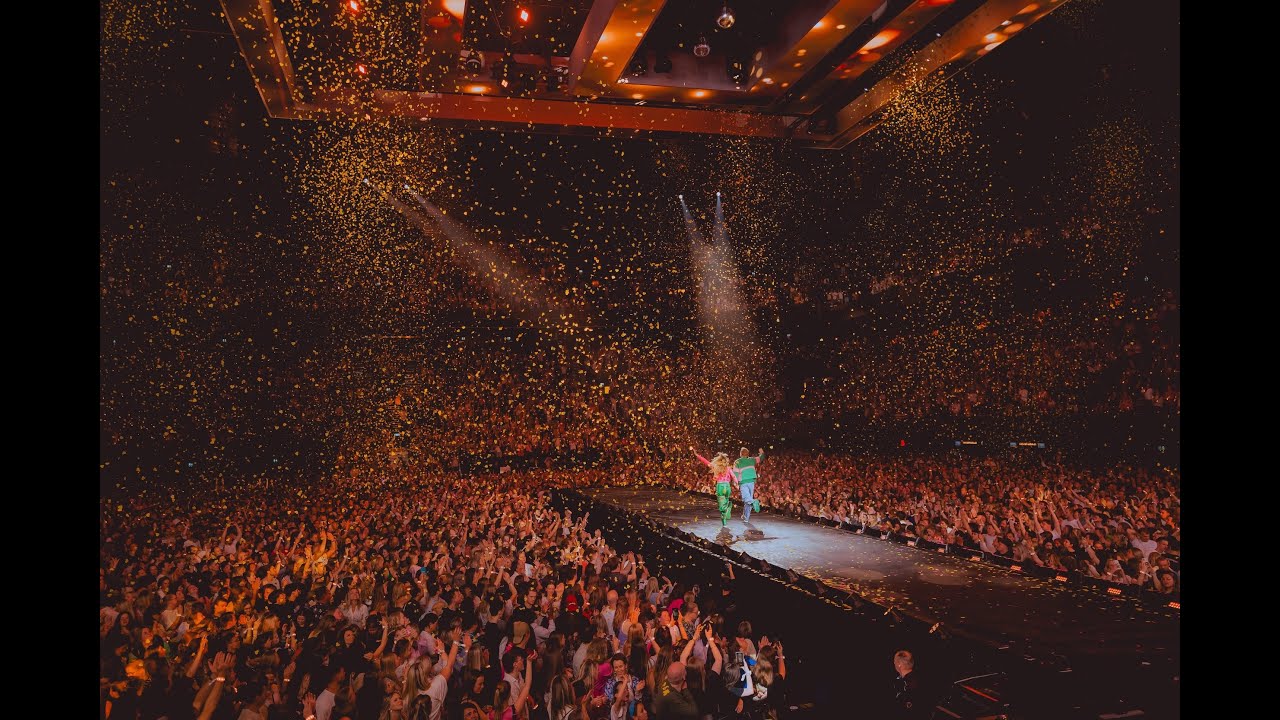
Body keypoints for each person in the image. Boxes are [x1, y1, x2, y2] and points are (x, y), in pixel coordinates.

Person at [690, 448, 740, 531]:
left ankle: (725, 516)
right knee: (725, 502)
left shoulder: (715, 467)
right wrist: (737, 484)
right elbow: (734, 476)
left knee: (721, 506)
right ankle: (725, 518)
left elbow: (705, 461)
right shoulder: (728, 468)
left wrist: (697, 455)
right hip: (727, 487)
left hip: (720, 487)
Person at [733, 448, 765, 526]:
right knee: (748, 500)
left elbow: (735, 473)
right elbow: (761, 458)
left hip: (743, 481)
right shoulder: (752, 460)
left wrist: (735, 482)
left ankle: (754, 501)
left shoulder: (737, 461)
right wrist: (762, 453)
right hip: (751, 481)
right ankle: (746, 518)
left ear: (741, 454)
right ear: (748, 454)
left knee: (746, 498)